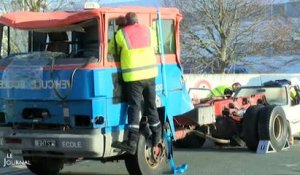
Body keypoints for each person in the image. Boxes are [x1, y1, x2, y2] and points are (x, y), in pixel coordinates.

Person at [111, 12, 162, 155]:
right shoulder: (148, 30)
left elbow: (111, 49)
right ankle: (157, 135)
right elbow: (155, 45)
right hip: (150, 75)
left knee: (134, 106)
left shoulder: (122, 33)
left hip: (134, 77)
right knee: (151, 106)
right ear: (137, 20)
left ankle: (131, 142)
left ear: (126, 22)